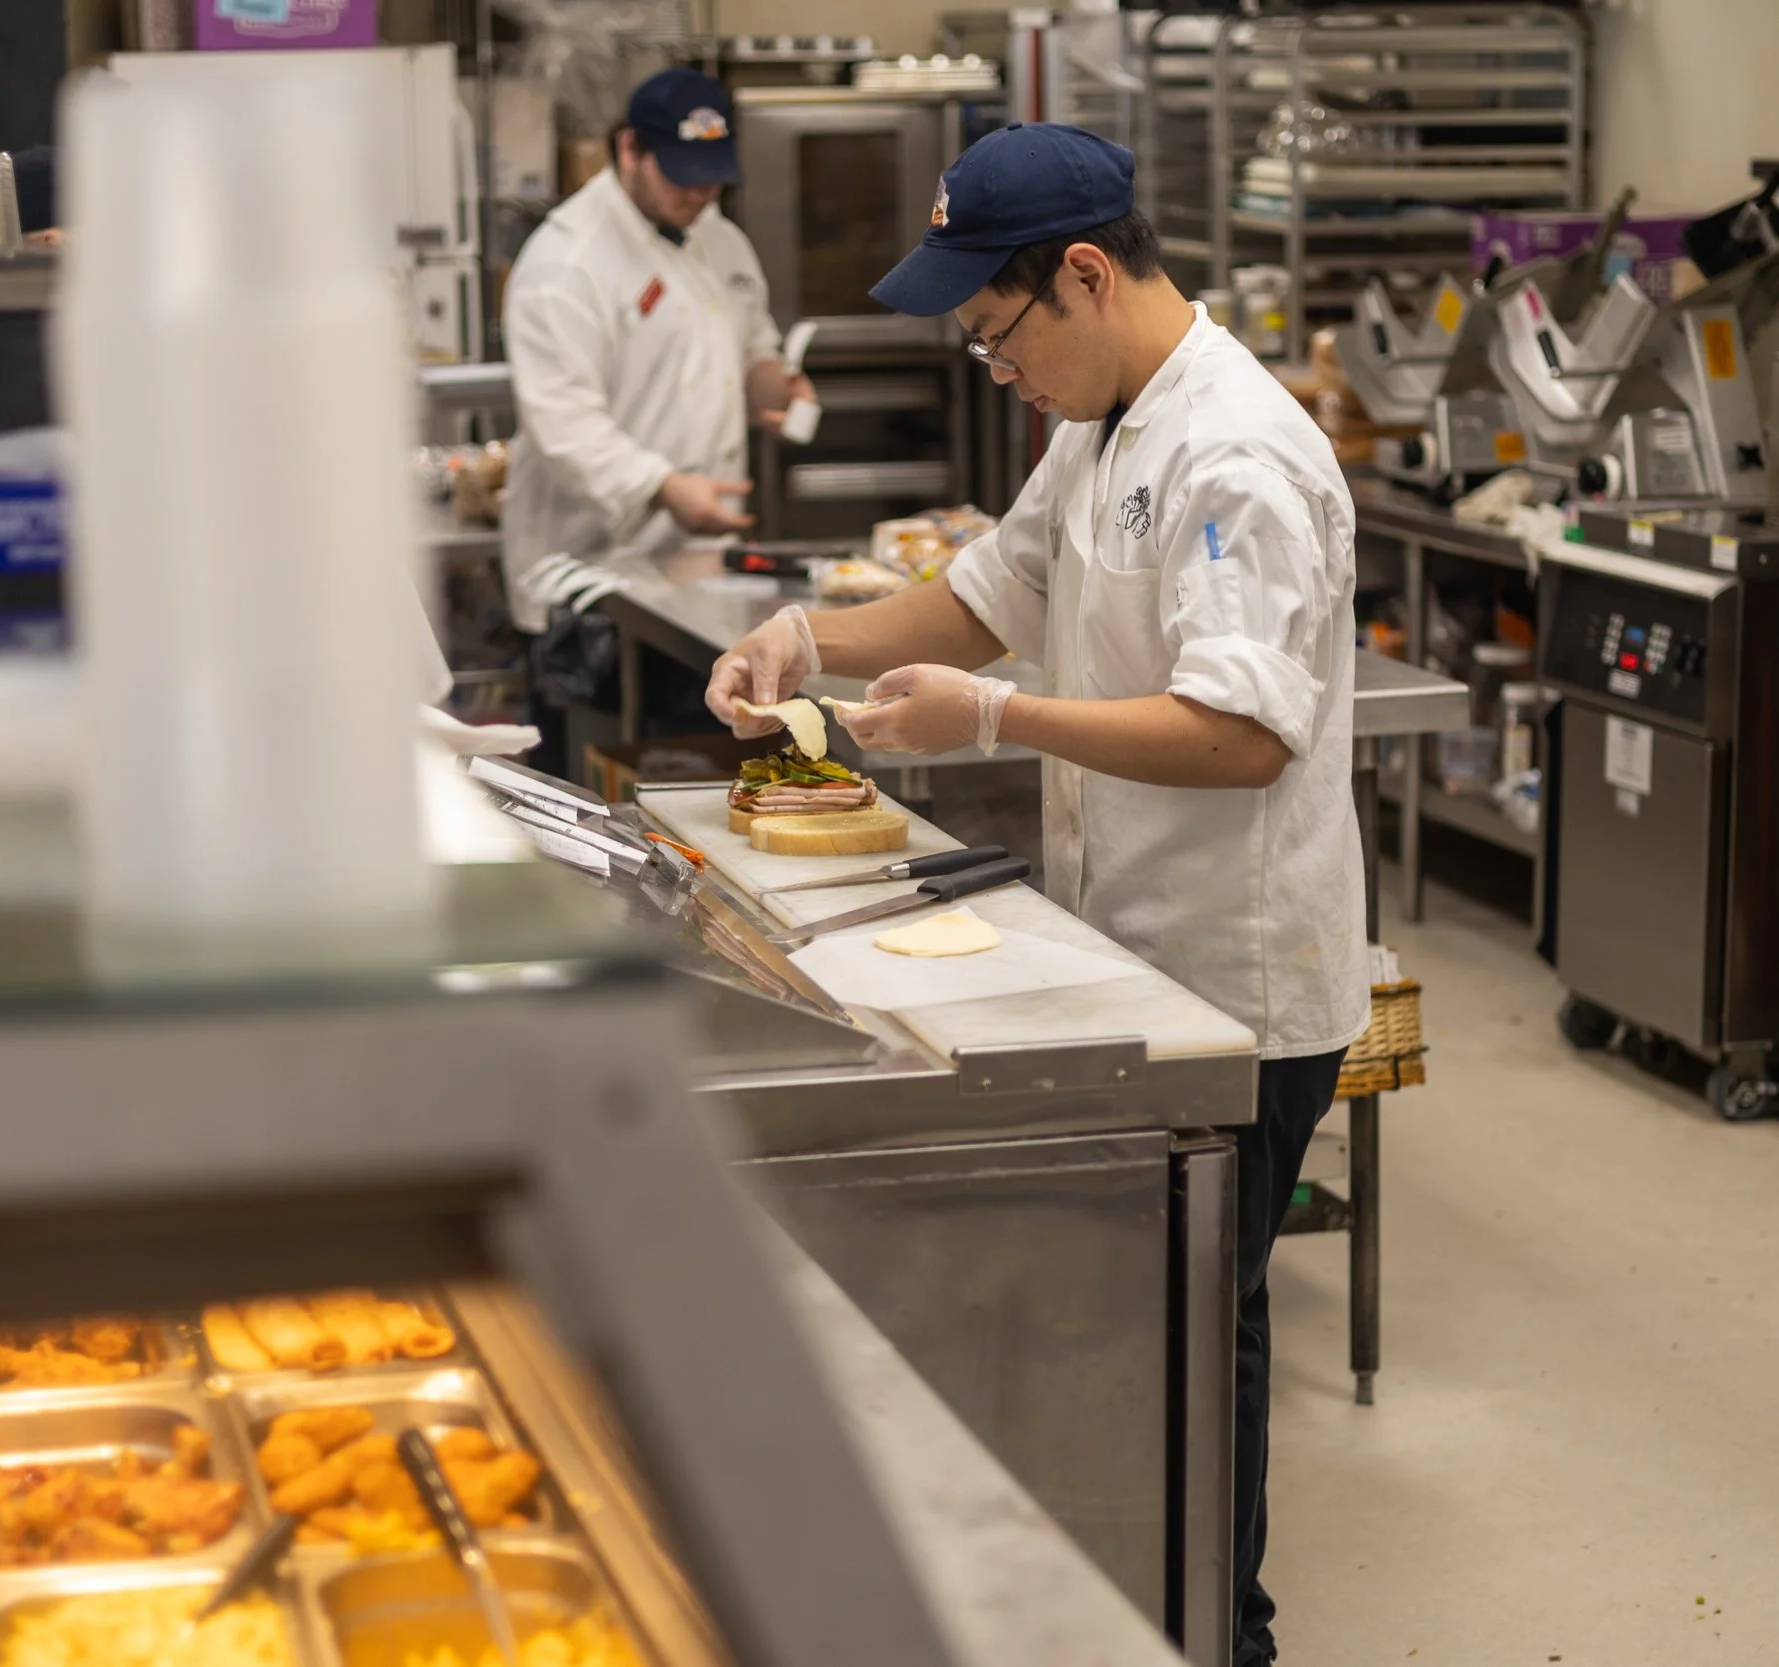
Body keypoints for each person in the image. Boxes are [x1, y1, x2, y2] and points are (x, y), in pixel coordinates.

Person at [703, 123, 1367, 1667]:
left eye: (996, 337)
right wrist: (811, 634)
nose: (993, 367)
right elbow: (996, 592)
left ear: (1083, 273)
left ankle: (1223, 1630)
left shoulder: (1236, 452)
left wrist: (991, 721)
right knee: (1142, 1319)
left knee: (1206, 1328)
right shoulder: (1105, 419)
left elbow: (1245, 731)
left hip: (1243, 983)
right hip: (1140, 955)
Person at [501, 68, 812, 769]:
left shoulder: (718, 236)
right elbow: (563, 423)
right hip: (589, 577)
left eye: (712, 176)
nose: (699, 193)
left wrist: (776, 381)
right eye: (681, 174)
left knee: (696, 776)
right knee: (594, 787)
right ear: (629, 149)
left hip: (696, 575)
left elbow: (751, 341)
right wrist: (666, 487)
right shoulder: (566, 263)